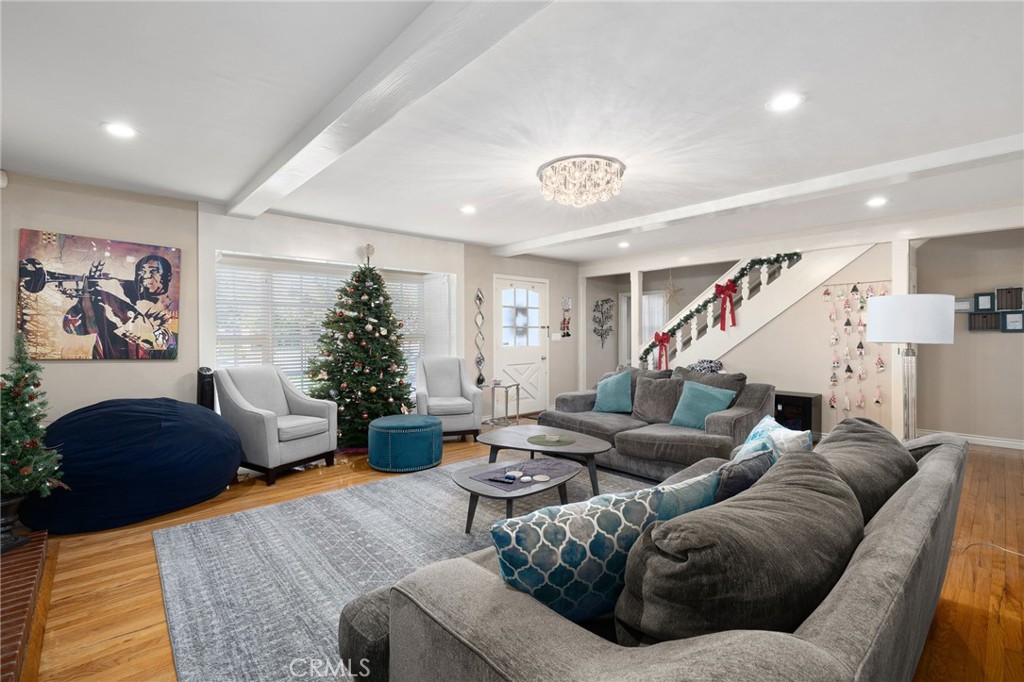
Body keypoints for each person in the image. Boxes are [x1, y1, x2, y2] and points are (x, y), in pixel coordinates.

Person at [61, 255, 178, 359]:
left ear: (168, 276)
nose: (146, 276)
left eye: (153, 271)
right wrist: (88, 295)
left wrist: (113, 301)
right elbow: (71, 327)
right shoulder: (112, 307)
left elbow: (160, 342)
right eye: (141, 272)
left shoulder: (174, 313)